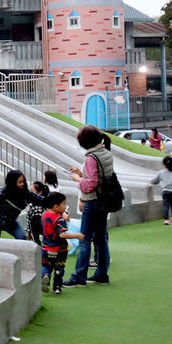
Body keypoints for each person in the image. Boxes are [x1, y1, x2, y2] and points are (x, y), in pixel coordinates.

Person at [64, 126, 115, 287]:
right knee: (100, 239)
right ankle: (101, 274)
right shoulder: (107, 154)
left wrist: (79, 180)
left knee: (84, 239)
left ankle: (79, 276)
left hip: (92, 201)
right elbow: (99, 177)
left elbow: (91, 184)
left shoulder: (91, 159)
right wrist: (82, 174)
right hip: (104, 201)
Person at [41, 192, 84, 294]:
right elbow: (62, 235)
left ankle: (45, 276)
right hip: (60, 249)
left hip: (46, 248)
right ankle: (57, 288)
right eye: (64, 204)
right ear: (56, 206)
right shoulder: (60, 219)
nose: (65, 207)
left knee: (46, 266)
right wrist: (77, 235)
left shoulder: (44, 214)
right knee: (59, 268)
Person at [150, 156, 172, 225]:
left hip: (165, 191)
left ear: (163, 164)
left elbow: (155, 180)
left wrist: (151, 182)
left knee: (166, 205)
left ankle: (166, 220)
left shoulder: (161, 172)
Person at [25, 181, 50, 245]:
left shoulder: (46, 202)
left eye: (32, 191)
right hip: (35, 227)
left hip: (45, 226)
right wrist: (29, 232)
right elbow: (28, 217)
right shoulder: (31, 204)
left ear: (40, 192)